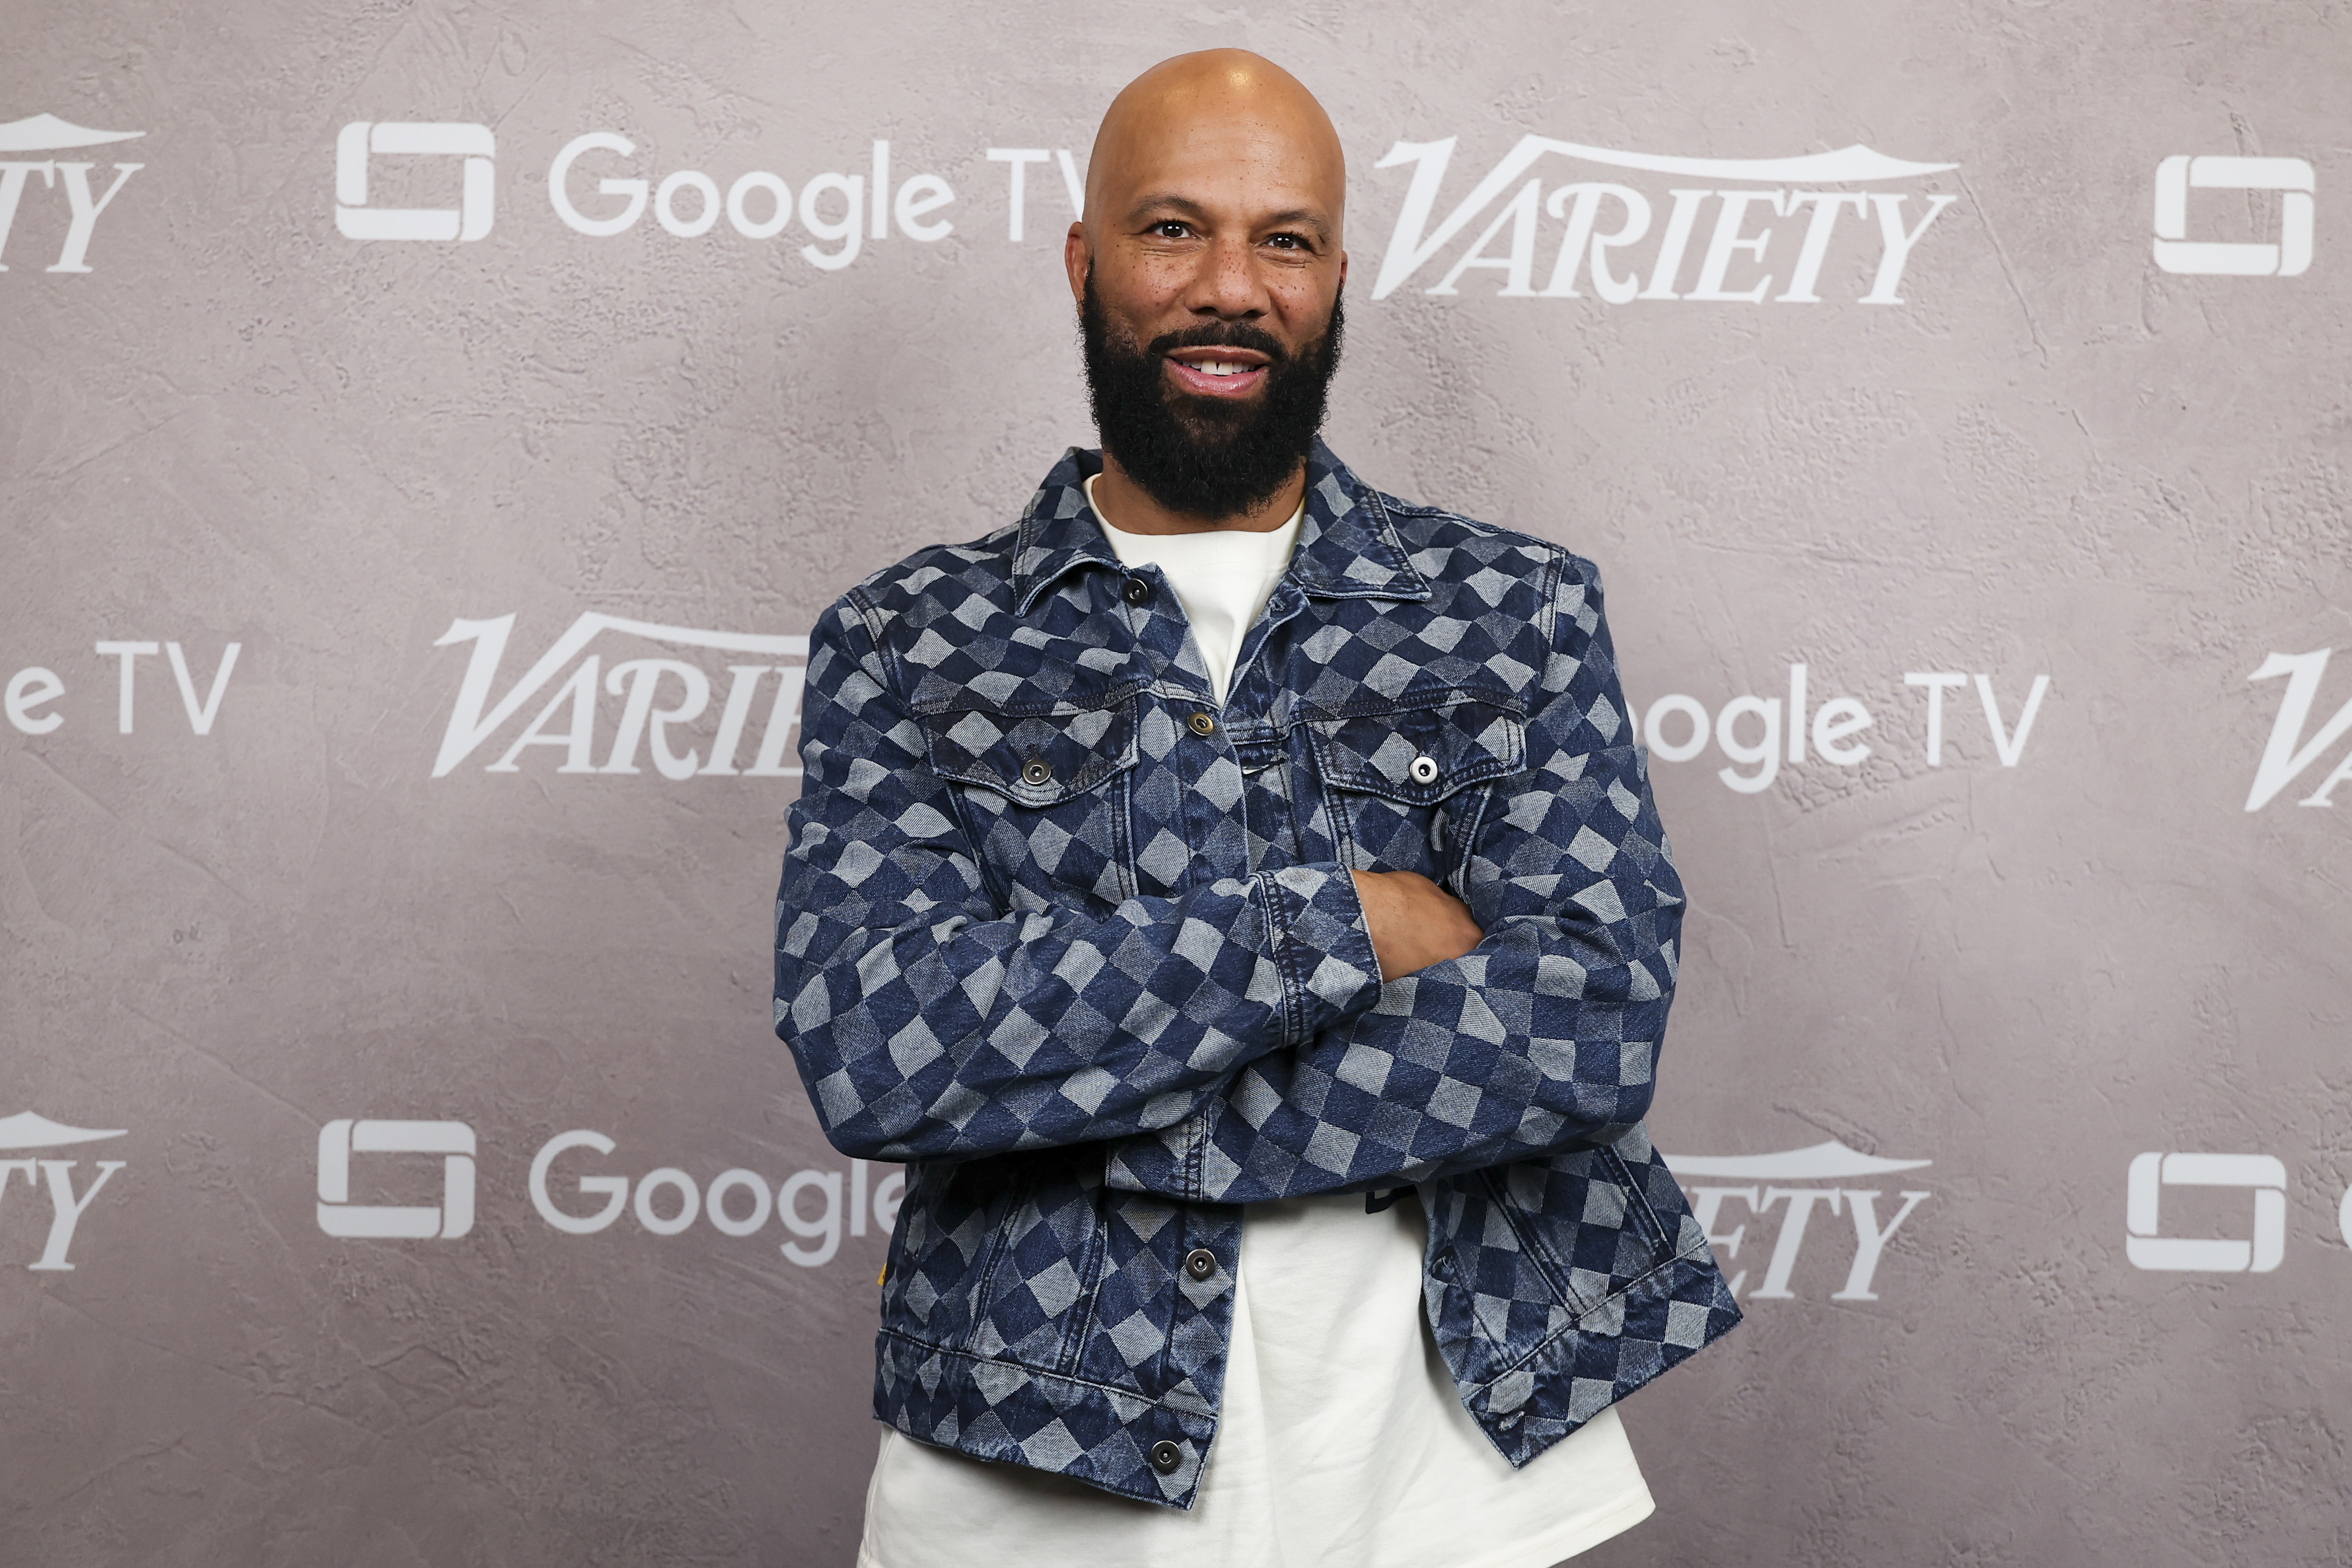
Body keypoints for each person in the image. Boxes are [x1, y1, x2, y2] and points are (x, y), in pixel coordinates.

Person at [773, 48, 1739, 1568]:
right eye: (1173, 230)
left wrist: (1092, 1113)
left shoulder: (1510, 607)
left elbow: (1590, 1015)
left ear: (1335, 277)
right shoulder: (910, 641)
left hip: (1459, 1487)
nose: (1230, 283)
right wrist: (1340, 924)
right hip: (1021, 1484)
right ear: (1084, 264)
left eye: (1281, 239)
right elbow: (880, 1045)